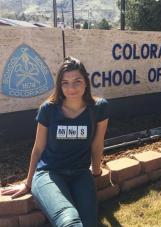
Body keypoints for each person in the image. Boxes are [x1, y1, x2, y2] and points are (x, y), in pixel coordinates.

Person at [1, 56, 109, 227]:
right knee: (69, 220)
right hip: (48, 173)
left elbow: (97, 144)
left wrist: (96, 172)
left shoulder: (98, 108)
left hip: (80, 173)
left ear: (86, 82)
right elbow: (38, 148)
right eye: (65, 83)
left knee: (89, 224)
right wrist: (28, 183)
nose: (71, 88)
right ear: (59, 85)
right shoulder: (49, 109)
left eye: (77, 81)